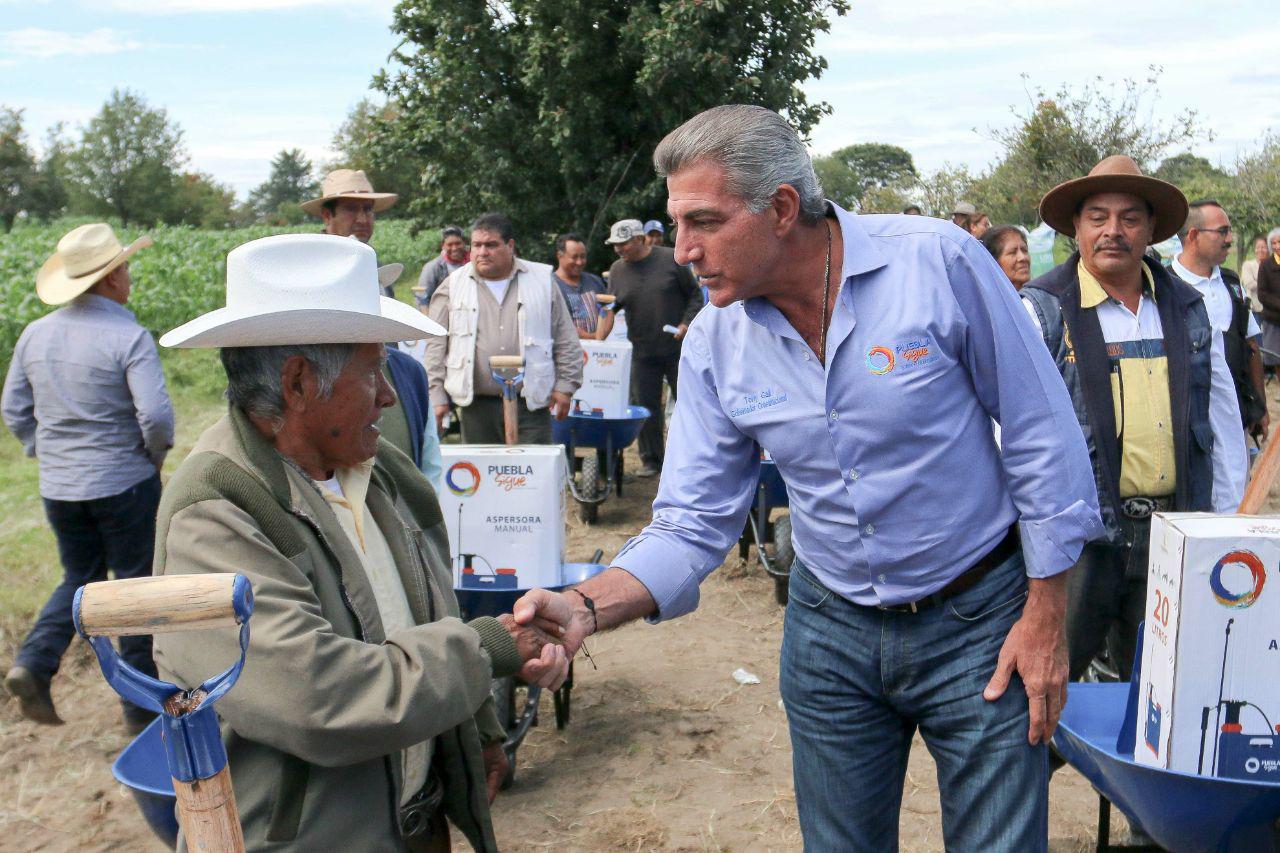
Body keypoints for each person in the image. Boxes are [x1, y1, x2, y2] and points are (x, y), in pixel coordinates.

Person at [517, 105, 1103, 851]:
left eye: (704, 221)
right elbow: (692, 522)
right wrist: (583, 607)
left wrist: (1045, 614)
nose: (684, 249)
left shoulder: (938, 264)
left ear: (783, 209)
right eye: (678, 223)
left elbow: (1040, 436)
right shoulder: (715, 343)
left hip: (980, 622)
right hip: (829, 630)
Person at [153, 233, 568, 851]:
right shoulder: (216, 512)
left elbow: (433, 607)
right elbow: (317, 698)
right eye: (371, 369)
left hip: (410, 822)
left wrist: (476, 729)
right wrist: (488, 651)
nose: (389, 394)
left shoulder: (378, 470)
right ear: (298, 384)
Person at [1021, 156, 1247, 684]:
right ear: (1075, 228)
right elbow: (1012, 434)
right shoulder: (1044, 311)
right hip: (1079, 542)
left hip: (1174, 534)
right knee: (1045, 686)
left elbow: (1222, 417)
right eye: (1097, 217)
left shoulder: (1186, 307)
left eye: (1129, 218)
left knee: (1162, 688)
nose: (1112, 232)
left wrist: (1223, 522)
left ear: (1150, 230)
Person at [2, 223, 174, 733]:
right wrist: (152, 459)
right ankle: (140, 713)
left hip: (60, 487)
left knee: (80, 577)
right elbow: (157, 418)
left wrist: (47, 450)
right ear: (109, 278)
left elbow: (14, 409)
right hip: (125, 483)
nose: (129, 277)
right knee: (135, 591)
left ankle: (34, 662)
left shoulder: (36, 334)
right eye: (124, 268)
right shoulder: (129, 336)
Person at [304, 168, 443, 484]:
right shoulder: (309, 271)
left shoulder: (374, 272)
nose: (363, 217)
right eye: (352, 208)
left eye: (368, 209)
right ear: (327, 215)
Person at [424, 212, 582, 443]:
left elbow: (565, 337)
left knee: (533, 473)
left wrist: (566, 386)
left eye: (491, 245)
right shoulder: (453, 284)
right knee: (482, 474)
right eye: (477, 245)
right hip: (476, 405)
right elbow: (435, 345)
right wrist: (436, 394)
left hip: (531, 403)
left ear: (510, 246)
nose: (482, 252)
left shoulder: (541, 280)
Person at [597, 219, 703, 477]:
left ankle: (696, 459)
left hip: (678, 349)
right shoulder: (617, 270)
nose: (618, 250)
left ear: (640, 239)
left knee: (691, 404)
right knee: (646, 408)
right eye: (615, 246)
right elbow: (610, 309)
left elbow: (695, 296)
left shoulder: (670, 259)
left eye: (623, 244)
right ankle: (652, 461)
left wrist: (686, 323)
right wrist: (597, 342)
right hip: (642, 351)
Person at [1171, 200, 1267, 439]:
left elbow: (1251, 346)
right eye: (1222, 231)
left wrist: (1260, 407)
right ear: (1193, 235)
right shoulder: (1165, 287)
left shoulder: (1231, 284)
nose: (1230, 239)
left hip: (1237, 419)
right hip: (1188, 425)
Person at [552, 232, 608, 339]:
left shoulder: (595, 281)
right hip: (566, 352)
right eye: (574, 257)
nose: (579, 262)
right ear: (559, 256)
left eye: (583, 257)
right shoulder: (550, 286)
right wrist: (593, 336)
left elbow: (608, 313)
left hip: (599, 352)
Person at [417, 225, 468, 307]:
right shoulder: (432, 267)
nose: (454, 248)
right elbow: (422, 298)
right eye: (450, 244)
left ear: (464, 243)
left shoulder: (473, 263)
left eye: (458, 243)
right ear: (443, 246)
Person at [981, 225, 1032, 290]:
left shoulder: (1038, 297)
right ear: (993, 261)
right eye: (1013, 252)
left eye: (1024, 250)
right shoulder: (988, 299)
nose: (1023, 257)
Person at [1259, 228, 1280, 372]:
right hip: (1274, 320)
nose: (1277, 246)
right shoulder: (1266, 265)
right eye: (1273, 243)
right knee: (1277, 358)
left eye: (1279, 242)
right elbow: (1262, 294)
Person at [1241, 235, 1266, 316]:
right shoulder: (1248, 265)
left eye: (1263, 247)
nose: (1260, 250)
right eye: (1258, 247)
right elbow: (1249, 285)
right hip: (1254, 310)